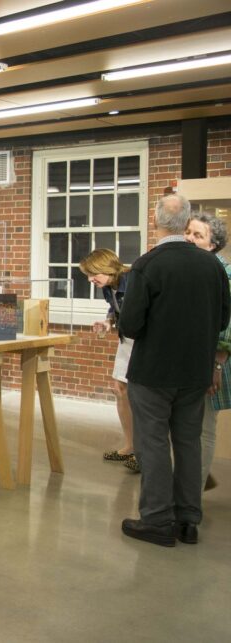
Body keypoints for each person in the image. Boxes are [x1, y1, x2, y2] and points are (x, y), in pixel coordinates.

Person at [118, 194, 230, 547]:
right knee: (188, 442)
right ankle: (188, 519)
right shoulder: (212, 265)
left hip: (153, 372)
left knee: (151, 444)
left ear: (156, 220)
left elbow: (132, 324)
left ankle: (156, 519)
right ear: (185, 223)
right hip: (195, 372)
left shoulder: (147, 265)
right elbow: (223, 319)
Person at [184, 212, 230, 492]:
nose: (189, 238)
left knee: (203, 429)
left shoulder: (223, 273)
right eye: (188, 232)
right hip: (190, 362)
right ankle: (196, 480)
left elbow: (226, 329)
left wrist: (215, 366)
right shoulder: (193, 271)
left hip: (212, 364)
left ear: (213, 244)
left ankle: (192, 496)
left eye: (197, 235)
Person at [78, 248, 135, 469]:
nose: (91, 279)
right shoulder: (108, 287)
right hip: (126, 341)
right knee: (119, 390)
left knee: (140, 396)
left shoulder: (132, 280)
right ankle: (129, 445)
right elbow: (114, 310)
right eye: (88, 275)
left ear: (107, 268)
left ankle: (144, 452)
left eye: (94, 274)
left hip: (142, 342)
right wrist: (107, 323)